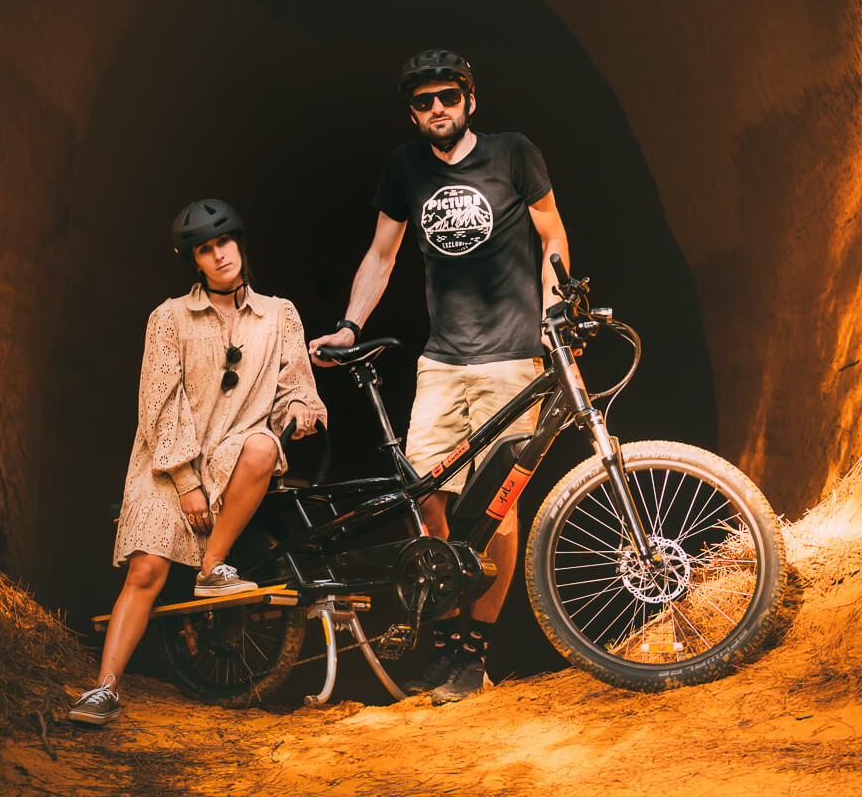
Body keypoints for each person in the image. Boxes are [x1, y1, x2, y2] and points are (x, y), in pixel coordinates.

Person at [309, 48, 569, 703]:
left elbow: (552, 237)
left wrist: (554, 311)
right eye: (424, 103)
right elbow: (382, 254)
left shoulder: (513, 153)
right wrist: (349, 326)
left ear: (469, 100)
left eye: (448, 97)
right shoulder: (406, 168)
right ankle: (446, 641)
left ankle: (474, 654)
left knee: (498, 508)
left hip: (511, 359)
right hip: (442, 363)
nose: (437, 110)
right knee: (425, 499)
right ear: (413, 114)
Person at [69, 198, 326, 726]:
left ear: (240, 243)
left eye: (224, 242)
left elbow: (296, 385)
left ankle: (213, 568)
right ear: (194, 261)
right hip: (166, 464)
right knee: (146, 569)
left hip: (235, 454)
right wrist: (186, 482)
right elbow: (159, 404)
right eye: (205, 249)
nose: (218, 255)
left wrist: (301, 408)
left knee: (263, 446)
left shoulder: (280, 314)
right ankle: (104, 689)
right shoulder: (168, 317)